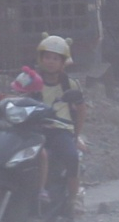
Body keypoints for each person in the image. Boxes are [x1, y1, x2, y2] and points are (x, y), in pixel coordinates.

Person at [6, 34, 87, 210]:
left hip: (59, 129)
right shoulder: (30, 78)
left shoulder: (70, 84)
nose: (51, 61)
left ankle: (74, 198)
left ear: (63, 62)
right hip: (32, 128)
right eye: (47, 57)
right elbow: (15, 94)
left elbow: (81, 109)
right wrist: (2, 100)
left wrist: (76, 134)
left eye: (56, 58)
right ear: (40, 58)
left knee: (72, 157)